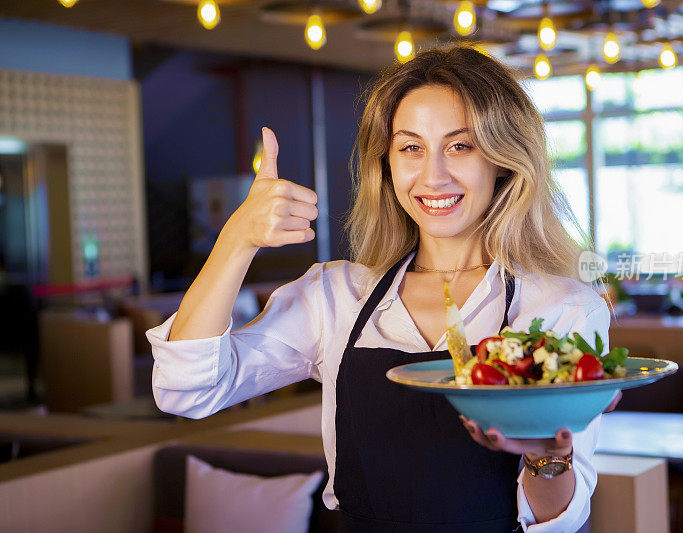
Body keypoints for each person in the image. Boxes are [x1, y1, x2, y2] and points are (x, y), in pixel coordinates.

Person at [147, 44, 612, 532]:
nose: (433, 175)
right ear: (386, 164)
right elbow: (188, 391)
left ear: (503, 160)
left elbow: (558, 521)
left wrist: (547, 458)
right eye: (411, 147)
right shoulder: (335, 296)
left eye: (461, 145)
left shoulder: (563, 308)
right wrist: (237, 239)